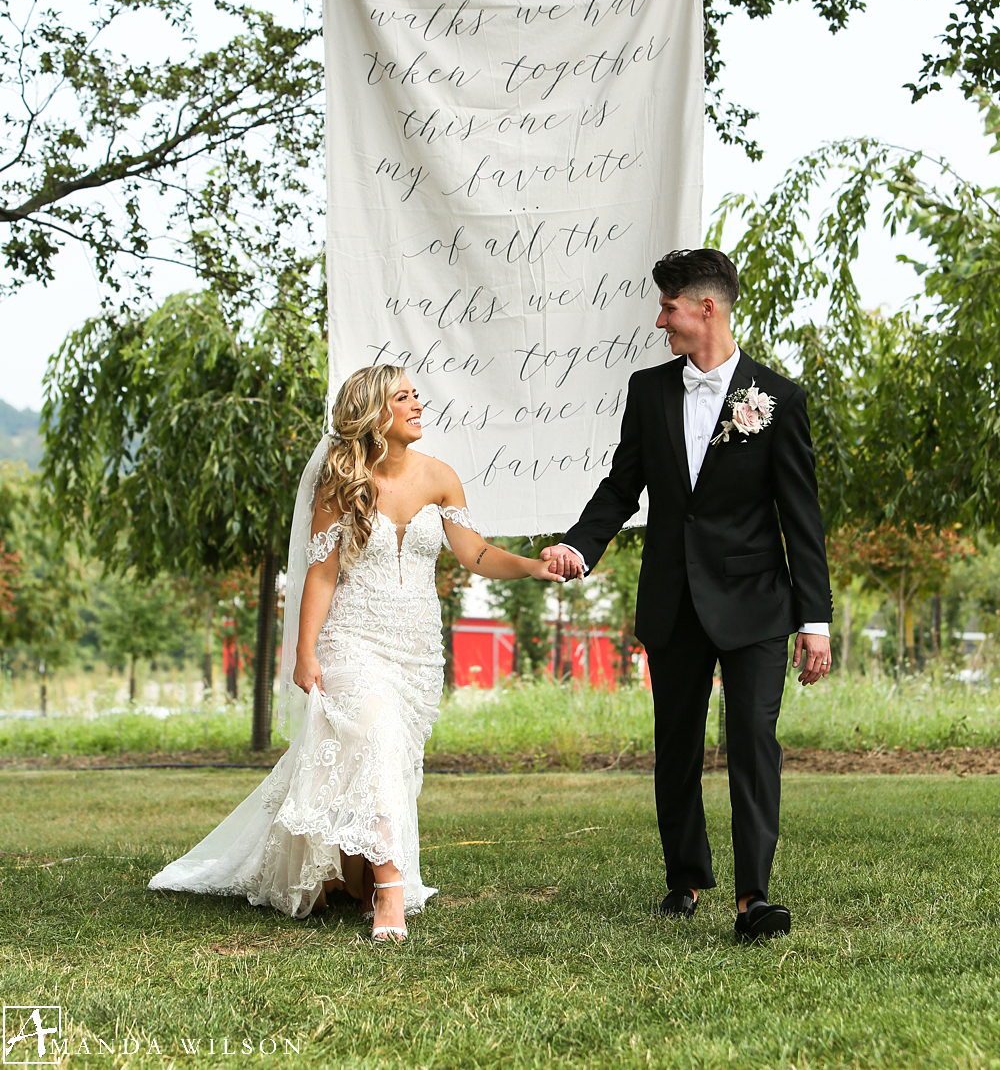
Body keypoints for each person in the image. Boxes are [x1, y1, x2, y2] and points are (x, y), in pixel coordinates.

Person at [149, 364, 563, 942]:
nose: (419, 405)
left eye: (418, 395)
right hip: (352, 640)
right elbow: (318, 575)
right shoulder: (341, 482)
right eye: (404, 397)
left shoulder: (441, 478)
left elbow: (476, 554)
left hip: (417, 651)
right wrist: (304, 651)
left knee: (391, 760)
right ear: (374, 414)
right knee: (373, 737)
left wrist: (533, 566)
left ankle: (355, 873)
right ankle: (391, 890)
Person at [542, 248, 833, 942]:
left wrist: (814, 620)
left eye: (668, 307)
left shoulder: (778, 399)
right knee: (675, 745)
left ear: (707, 308)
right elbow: (622, 486)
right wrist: (581, 545)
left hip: (759, 602)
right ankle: (686, 878)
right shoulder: (647, 391)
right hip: (674, 599)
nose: (660, 319)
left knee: (753, 739)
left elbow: (803, 517)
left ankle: (754, 897)